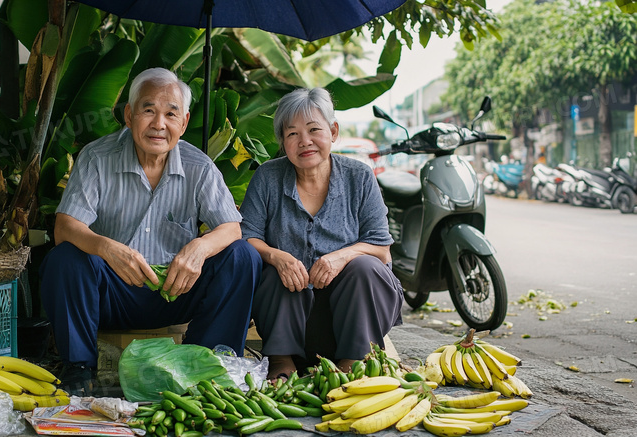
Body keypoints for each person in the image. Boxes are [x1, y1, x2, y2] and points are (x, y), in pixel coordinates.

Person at [40, 67, 262, 395]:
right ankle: (79, 370)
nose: (159, 124)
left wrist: (199, 248)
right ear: (129, 115)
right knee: (64, 258)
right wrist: (105, 247)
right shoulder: (97, 158)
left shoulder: (199, 166)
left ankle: (210, 362)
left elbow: (231, 228)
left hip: (176, 289)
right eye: (148, 111)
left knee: (243, 255)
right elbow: (65, 227)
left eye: (171, 114)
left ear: (184, 123)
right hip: (113, 292)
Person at [239, 87, 404, 381]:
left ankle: (352, 363)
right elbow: (245, 236)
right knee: (279, 270)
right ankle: (281, 361)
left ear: (333, 131)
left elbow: (381, 249)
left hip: (353, 313)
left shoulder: (360, 176)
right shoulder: (267, 177)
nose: (305, 142)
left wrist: (341, 256)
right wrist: (277, 256)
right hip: (289, 318)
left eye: (314, 130)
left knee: (365, 266)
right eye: (292, 134)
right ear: (283, 142)